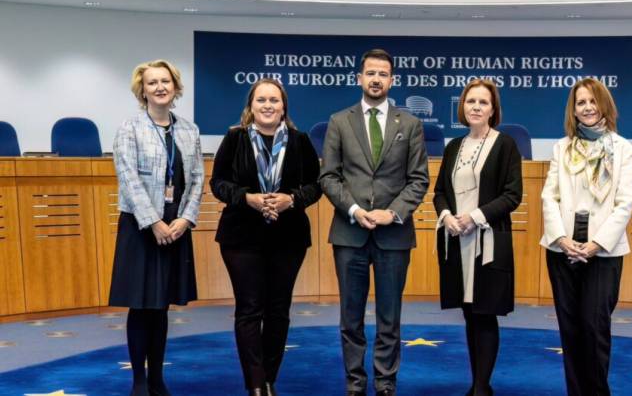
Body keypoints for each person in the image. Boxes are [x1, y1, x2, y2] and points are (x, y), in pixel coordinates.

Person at [319, 48, 429, 396]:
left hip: (393, 235)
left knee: (389, 317)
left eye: (383, 74)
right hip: (349, 233)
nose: (376, 79)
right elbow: (329, 176)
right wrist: (354, 209)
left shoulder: (409, 124)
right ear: (359, 78)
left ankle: (385, 383)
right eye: (371, 73)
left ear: (392, 80)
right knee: (350, 317)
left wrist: (392, 213)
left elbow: (419, 180)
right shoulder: (339, 121)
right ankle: (355, 382)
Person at [210, 78, 321, 396]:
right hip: (241, 237)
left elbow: (316, 185)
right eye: (261, 100)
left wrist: (292, 199)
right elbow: (218, 183)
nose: (268, 105)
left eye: (274, 100)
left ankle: (269, 378)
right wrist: (247, 198)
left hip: (288, 238)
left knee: (278, 310)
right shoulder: (235, 138)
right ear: (251, 106)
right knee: (249, 309)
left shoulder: (300, 141)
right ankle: (256, 384)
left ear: (284, 106)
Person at [109, 59, 204, 396]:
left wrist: (185, 219)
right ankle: (138, 380)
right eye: (152, 83)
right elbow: (128, 179)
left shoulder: (189, 130)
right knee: (141, 305)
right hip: (140, 227)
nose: (160, 87)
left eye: (166, 81)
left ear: (175, 87)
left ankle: (157, 379)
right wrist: (153, 222)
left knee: (161, 306)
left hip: (175, 227)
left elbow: (197, 178)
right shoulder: (129, 128)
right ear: (143, 90)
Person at [540, 77, 632, 396]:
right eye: (581, 102)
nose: (587, 107)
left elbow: (624, 203)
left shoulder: (623, 149)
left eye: (593, 101)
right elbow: (549, 196)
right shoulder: (562, 147)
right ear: (573, 109)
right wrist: (561, 239)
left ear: (604, 105)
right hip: (563, 249)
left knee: (594, 329)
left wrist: (597, 244)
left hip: (603, 252)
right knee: (570, 331)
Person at [433, 79, 522, 396]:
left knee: (485, 314)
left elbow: (512, 195)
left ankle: (482, 388)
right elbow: (439, 192)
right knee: (469, 314)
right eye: (471, 101)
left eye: (483, 102)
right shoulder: (453, 147)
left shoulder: (505, 145)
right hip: (457, 241)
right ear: (462, 106)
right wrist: (447, 216)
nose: (476, 107)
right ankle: (477, 384)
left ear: (493, 109)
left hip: (488, 242)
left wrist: (475, 216)